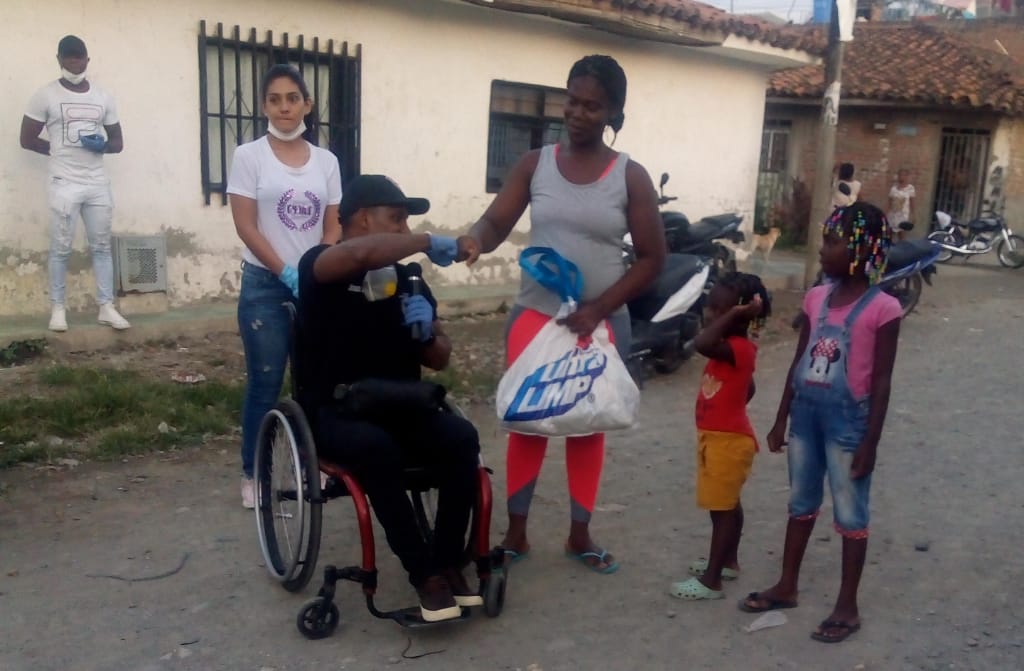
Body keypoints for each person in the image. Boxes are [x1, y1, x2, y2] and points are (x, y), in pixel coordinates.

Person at [461, 54, 665, 573]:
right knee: (527, 422)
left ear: (613, 112)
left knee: (588, 424)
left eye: (591, 106)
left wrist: (598, 308)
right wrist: (474, 240)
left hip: (601, 325)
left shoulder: (631, 177)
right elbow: (495, 223)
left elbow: (652, 258)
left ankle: (580, 534)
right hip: (536, 318)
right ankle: (516, 533)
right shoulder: (536, 164)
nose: (576, 113)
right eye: (571, 101)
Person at [295, 173, 482, 623]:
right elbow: (360, 254)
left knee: (461, 437)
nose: (405, 230)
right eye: (396, 219)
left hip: (401, 405)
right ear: (362, 219)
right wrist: (427, 240)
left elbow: (439, 359)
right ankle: (424, 574)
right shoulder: (320, 265)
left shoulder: (407, 279)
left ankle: (448, 561)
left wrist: (428, 333)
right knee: (377, 448)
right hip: (338, 411)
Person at [740, 203, 901, 645]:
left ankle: (847, 605)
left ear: (860, 250)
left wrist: (870, 442)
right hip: (805, 416)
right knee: (800, 501)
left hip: (849, 423)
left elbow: (882, 382)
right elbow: (801, 359)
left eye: (832, 242)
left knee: (850, 511)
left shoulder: (884, 309)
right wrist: (781, 417)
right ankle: (787, 585)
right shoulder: (816, 299)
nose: (823, 249)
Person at [227, 64, 342, 508]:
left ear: (307, 104)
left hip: (314, 286)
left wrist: (314, 268)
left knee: (314, 382)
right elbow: (246, 225)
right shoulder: (249, 156)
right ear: (264, 106)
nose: (284, 107)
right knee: (266, 381)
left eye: (292, 98)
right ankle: (254, 473)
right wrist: (284, 271)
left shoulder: (326, 161)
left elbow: (333, 223)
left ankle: (311, 463)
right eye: (274, 99)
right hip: (264, 285)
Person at [669, 273, 770, 601]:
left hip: (727, 442)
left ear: (739, 314)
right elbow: (748, 387)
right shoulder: (728, 351)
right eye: (710, 308)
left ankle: (712, 580)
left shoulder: (738, 347)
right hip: (719, 438)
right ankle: (728, 561)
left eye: (718, 309)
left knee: (723, 509)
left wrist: (735, 315)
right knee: (727, 504)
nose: (710, 315)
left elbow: (701, 343)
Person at [20, 35, 130, 333]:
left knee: (102, 246)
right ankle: (58, 309)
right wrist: (56, 151)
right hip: (64, 182)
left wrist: (102, 145)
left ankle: (106, 307)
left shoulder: (103, 97)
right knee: (61, 248)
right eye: (68, 58)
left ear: (87, 60)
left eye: (78, 57)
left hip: (96, 183)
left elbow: (118, 142)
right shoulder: (45, 95)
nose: (74, 63)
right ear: (58, 60)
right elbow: (26, 139)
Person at [887, 168, 916, 238]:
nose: (901, 177)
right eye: (900, 175)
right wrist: (886, 214)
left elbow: (912, 203)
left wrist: (913, 215)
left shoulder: (910, 188)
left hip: (903, 215)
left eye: (904, 175)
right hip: (893, 215)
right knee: (890, 234)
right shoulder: (893, 189)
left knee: (902, 235)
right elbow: (889, 203)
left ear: (907, 176)